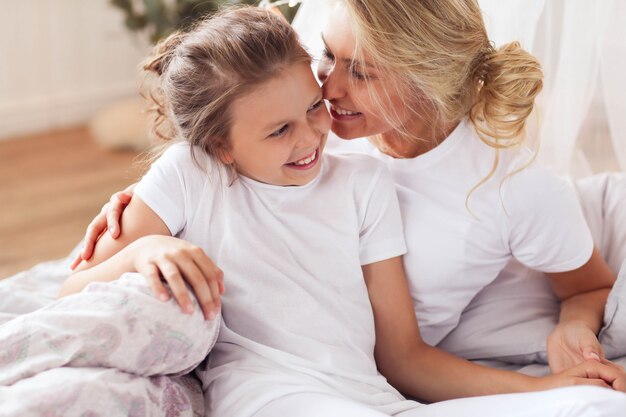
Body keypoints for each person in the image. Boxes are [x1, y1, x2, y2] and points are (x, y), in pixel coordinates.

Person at [57, 4, 626, 417]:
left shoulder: (488, 186)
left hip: (373, 381)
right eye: (327, 56)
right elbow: (231, 139)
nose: (327, 89)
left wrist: (568, 344)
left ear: (425, 79)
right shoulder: (317, 132)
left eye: (360, 70)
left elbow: (404, 355)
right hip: (284, 383)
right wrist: (144, 228)